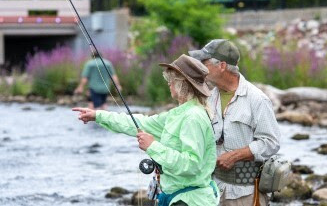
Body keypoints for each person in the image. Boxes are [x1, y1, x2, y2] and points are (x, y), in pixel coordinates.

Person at [72, 54, 219, 206]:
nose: (168, 84)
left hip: (190, 200)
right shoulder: (178, 114)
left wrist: (153, 146)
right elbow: (140, 122)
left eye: (171, 80)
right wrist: (98, 115)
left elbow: (192, 165)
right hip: (176, 197)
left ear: (182, 84)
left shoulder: (193, 117)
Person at [189, 39, 281, 206]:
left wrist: (235, 155)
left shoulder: (257, 99)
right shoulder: (208, 98)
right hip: (212, 192)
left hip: (246, 194)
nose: (200, 67)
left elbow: (271, 143)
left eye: (204, 63)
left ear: (222, 65)